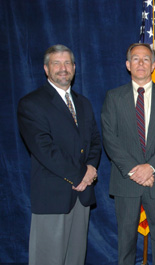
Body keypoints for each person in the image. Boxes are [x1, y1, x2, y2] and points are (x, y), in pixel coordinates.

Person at [17, 44, 102, 265]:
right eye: (56, 63)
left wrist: (91, 168)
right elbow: (44, 150)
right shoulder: (31, 103)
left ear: (74, 67)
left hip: (81, 198)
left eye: (67, 63)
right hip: (52, 196)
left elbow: (94, 141)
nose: (62, 68)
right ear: (46, 69)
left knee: (75, 259)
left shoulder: (83, 103)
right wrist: (81, 175)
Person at [101, 43, 155, 265]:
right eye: (135, 59)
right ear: (128, 65)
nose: (141, 63)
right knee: (125, 242)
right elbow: (110, 138)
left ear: (154, 65)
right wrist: (135, 171)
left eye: (146, 59)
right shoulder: (113, 97)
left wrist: (150, 167)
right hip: (126, 180)